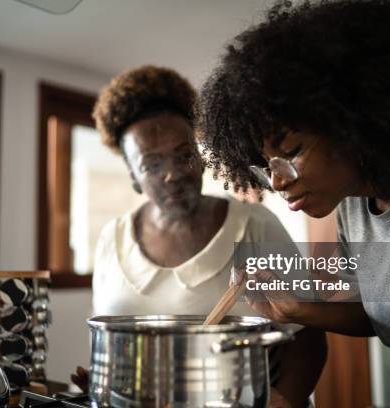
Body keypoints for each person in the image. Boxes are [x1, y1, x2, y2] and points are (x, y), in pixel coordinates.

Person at [195, 1, 390, 407]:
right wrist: (299, 310)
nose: (276, 181)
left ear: (351, 120)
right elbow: (384, 313)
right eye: (264, 166)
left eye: (290, 151)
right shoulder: (352, 210)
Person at [72, 65, 326, 407]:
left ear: (201, 158)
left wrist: (280, 401)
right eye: (152, 165)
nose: (173, 174)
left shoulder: (253, 226)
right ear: (133, 176)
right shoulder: (111, 240)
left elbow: (308, 340)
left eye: (183, 155)